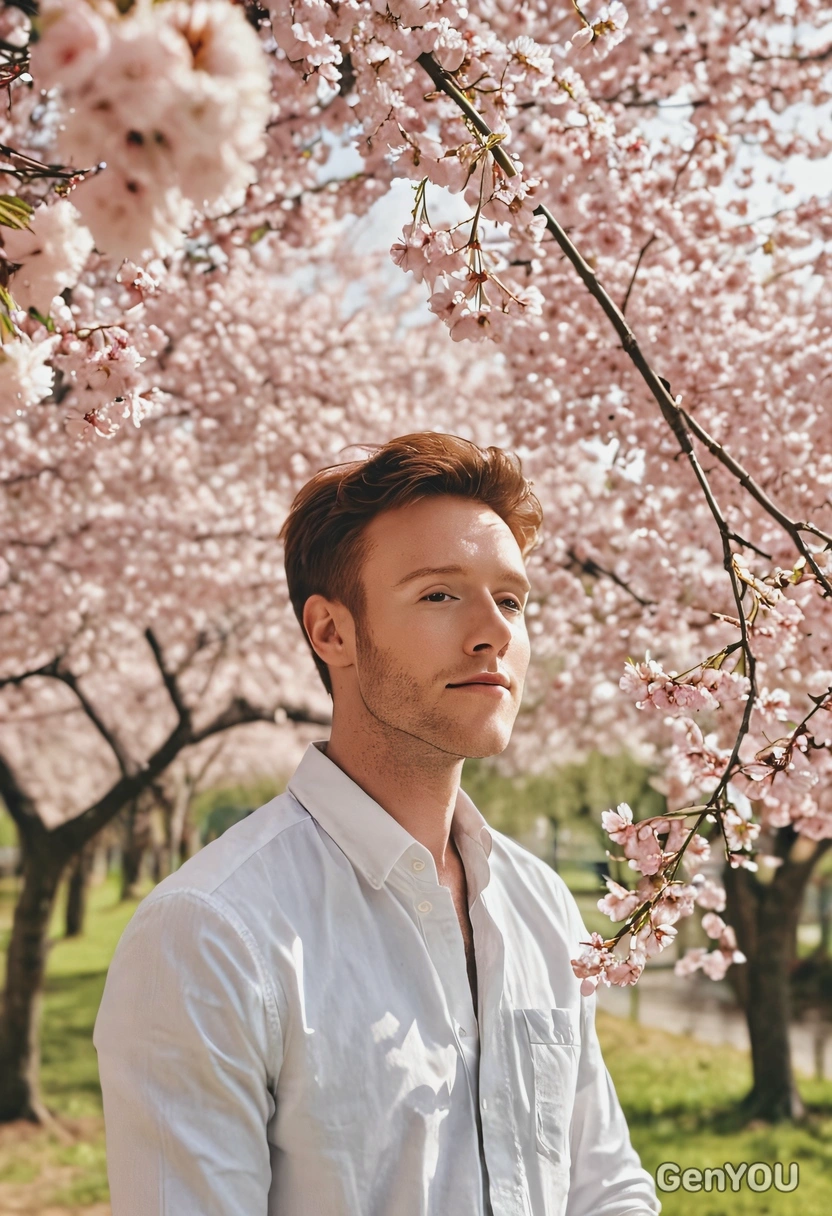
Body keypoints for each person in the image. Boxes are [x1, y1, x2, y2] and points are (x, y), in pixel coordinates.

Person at [93, 432, 661, 1216]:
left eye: (512, 599)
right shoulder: (210, 938)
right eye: (439, 594)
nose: (493, 630)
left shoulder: (542, 906)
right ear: (332, 632)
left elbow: (604, 1185)